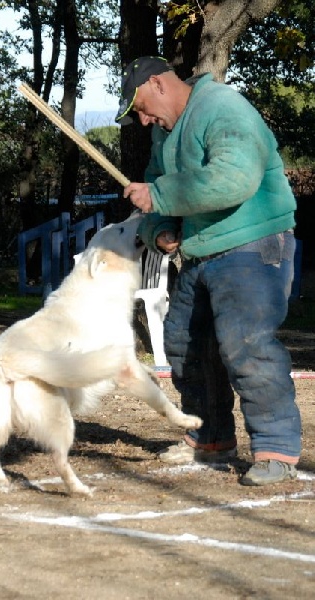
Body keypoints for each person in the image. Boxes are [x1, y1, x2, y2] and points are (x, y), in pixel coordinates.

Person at [115, 55, 301, 486]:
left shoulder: (222, 107)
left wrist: (160, 195)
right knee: (185, 345)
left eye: (141, 108)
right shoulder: (165, 134)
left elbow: (234, 177)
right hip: (202, 252)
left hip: (252, 243)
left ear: (159, 84)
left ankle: (276, 448)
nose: (143, 121)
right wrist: (161, 230)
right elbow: (156, 193)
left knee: (246, 345)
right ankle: (211, 438)